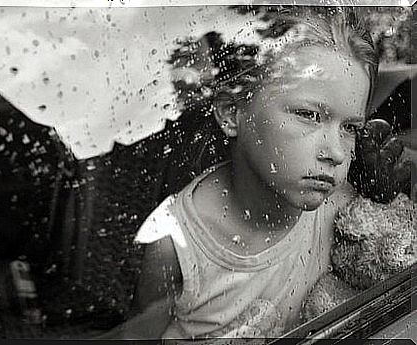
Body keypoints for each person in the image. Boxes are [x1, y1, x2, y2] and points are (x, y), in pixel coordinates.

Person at [100, 5, 380, 340]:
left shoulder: (341, 207)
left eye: (349, 127)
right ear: (232, 112)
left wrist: (383, 191)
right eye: (308, 114)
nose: (335, 153)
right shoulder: (175, 244)